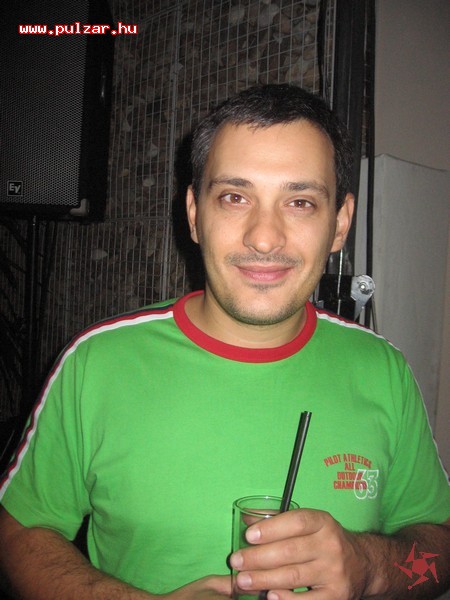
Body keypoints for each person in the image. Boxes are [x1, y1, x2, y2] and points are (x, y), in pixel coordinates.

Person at [0, 84, 448, 600]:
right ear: (194, 213)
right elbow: (18, 534)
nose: (264, 237)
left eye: (300, 202)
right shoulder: (96, 362)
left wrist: (369, 566)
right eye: (235, 197)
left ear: (340, 224)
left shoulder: (383, 370)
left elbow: (440, 544)